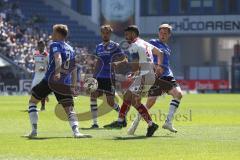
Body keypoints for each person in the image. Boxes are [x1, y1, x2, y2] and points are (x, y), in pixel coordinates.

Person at [27, 24, 91, 138]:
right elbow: (74, 68)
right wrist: (74, 85)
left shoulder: (55, 44)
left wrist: (57, 72)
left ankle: (34, 131)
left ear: (57, 34)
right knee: (70, 110)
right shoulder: (71, 49)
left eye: (53, 32)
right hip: (64, 83)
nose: (52, 35)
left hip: (50, 80)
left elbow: (58, 58)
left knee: (32, 102)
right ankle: (76, 132)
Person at [103, 25, 164, 137]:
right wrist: (159, 66)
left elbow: (135, 66)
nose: (126, 37)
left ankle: (121, 121)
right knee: (131, 99)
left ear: (133, 34)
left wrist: (123, 66)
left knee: (132, 99)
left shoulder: (134, 45)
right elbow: (160, 53)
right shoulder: (144, 43)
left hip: (144, 75)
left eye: (127, 34)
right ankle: (150, 124)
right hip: (147, 74)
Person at [128, 24, 183, 135]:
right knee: (149, 103)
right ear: (158, 33)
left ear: (169, 35)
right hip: (156, 77)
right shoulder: (153, 42)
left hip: (167, 76)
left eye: (165, 33)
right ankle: (135, 123)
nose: (163, 35)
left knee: (178, 94)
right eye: (161, 33)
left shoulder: (167, 48)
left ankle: (168, 122)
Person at [90, 25, 124, 128]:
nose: (105, 34)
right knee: (93, 96)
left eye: (107, 33)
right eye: (103, 33)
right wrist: (94, 77)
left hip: (109, 77)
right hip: (99, 77)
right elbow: (97, 62)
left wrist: (116, 63)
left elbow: (124, 59)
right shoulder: (98, 47)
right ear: (101, 33)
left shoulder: (115, 46)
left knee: (110, 102)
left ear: (110, 34)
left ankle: (122, 116)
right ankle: (95, 123)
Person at [31, 40, 49, 111]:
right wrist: (34, 68)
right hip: (36, 74)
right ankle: (45, 95)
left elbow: (50, 65)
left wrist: (44, 68)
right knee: (33, 89)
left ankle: (43, 106)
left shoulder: (47, 55)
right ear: (38, 46)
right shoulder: (35, 54)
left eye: (43, 45)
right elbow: (35, 63)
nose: (42, 46)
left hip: (43, 74)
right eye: (40, 45)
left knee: (41, 90)